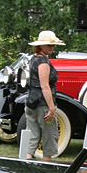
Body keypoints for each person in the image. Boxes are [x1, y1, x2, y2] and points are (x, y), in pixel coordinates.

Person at [24, 30, 64, 160]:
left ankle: (25, 162)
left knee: (33, 135)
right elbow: (45, 86)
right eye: (48, 45)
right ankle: (47, 167)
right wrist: (51, 108)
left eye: (53, 45)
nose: (51, 47)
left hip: (31, 101)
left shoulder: (33, 59)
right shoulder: (43, 63)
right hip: (43, 104)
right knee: (49, 137)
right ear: (41, 46)